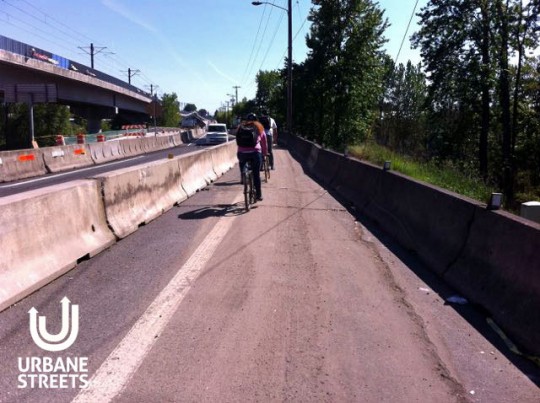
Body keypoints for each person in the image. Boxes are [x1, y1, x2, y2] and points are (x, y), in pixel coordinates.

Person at [236, 113, 268, 201]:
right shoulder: (259, 126)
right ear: (256, 119)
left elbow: (237, 139)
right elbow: (264, 141)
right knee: (256, 174)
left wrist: (242, 149)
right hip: (255, 152)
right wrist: (265, 153)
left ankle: (243, 176)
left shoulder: (241, 126)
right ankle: (258, 195)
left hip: (242, 152)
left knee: (242, 161)